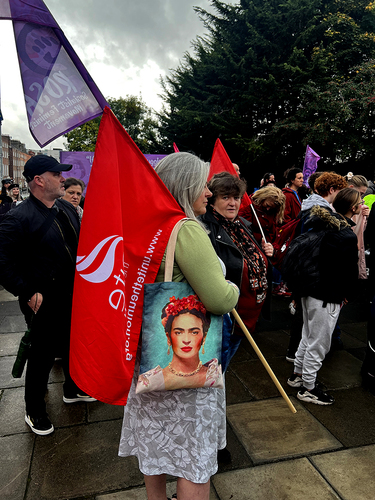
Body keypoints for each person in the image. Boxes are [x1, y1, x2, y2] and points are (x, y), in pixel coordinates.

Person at [118, 152, 239, 500]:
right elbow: (217, 299)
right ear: (185, 186)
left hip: (151, 356)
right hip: (188, 369)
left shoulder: (145, 225)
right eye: (202, 184)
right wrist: (231, 287)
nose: (209, 192)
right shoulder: (184, 229)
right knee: (194, 458)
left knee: (153, 447)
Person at [0, 155, 95, 436]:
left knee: (70, 344)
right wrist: (26, 291)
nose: (63, 178)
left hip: (71, 293)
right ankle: (34, 408)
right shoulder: (17, 218)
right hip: (41, 299)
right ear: (39, 180)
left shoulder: (65, 208)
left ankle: (72, 388)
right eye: (57, 174)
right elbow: (2, 263)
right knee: (41, 355)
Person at [286, 200, 358, 405]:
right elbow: (349, 271)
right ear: (352, 207)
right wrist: (347, 295)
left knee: (308, 336)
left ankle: (298, 375)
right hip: (327, 296)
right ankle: (308, 387)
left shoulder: (322, 227)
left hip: (309, 291)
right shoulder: (345, 235)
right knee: (319, 343)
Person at [201, 172, 274, 340]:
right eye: (225, 197)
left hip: (250, 316)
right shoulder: (205, 229)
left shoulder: (242, 224)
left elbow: (250, 260)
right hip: (227, 320)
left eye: (236, 197)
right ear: (213, 200)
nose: (233, 203)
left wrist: (265, 253)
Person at [285, 172, 348, 362]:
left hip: (308, 272)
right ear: (332, 190)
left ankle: (297, 359)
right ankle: (304, 374)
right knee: (310, 327)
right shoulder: (320, 212)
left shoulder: (312, 206)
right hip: (314, 273)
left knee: (306, 322)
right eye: (341, 191)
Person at [136, 294, 222, 393]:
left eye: (194, 332)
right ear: (169, 337)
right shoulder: (149, 381)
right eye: (178, 332)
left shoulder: (215, 374)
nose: (186, 340)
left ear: (204, 337)